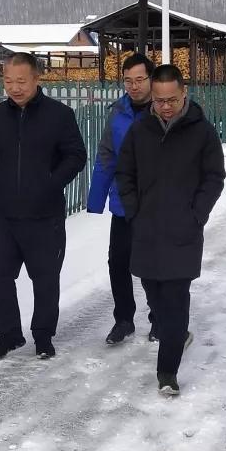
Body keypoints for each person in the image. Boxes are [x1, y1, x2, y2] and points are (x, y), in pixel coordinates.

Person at [116, 63, 225, 397]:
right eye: (159, 100)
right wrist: (134, 210)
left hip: (183, 231)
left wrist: (197, 213)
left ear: (184, 94)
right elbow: (125, 173)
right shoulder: (140, 131)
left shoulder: (202, 131)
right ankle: (174, 333)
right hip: (146, 229)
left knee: (176, 300)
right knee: (155, 297)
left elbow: (214, 177)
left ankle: (167, 372)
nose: (165, 106)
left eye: (172, 100)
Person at [0, 53, 87, 362]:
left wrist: (51, 183)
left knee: (45, 278)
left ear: (37, 79)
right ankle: (8, 334)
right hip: (6, 215)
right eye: (8, 81)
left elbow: (76, 155)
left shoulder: (59, 115)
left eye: (21, 81)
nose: (15, 87)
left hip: (44, 215)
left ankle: (43, 336)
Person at [86, 53, 156, 346]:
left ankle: (160, 318)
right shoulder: (118, 112)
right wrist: (96, 199)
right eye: (128, 81)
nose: (134, 86)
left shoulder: (162, 109)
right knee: (118, 263)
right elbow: (106, 156)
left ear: (151, 79)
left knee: (154, 264)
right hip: (123, 204)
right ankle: (124, 319)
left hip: (155, 203)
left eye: (140, 79)